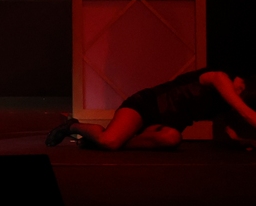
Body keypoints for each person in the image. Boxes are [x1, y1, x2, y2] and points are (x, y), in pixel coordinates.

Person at [46, 69, 256, 150]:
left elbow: (230, 131)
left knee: (172, 138)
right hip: (146, 106)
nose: (238, 92)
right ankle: (72, 126)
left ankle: (97, 142)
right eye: (240, 88)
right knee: (109, 141)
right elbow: (245, 112)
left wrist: (246, 142)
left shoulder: (225, 103)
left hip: (165, 125)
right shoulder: (219, 77)